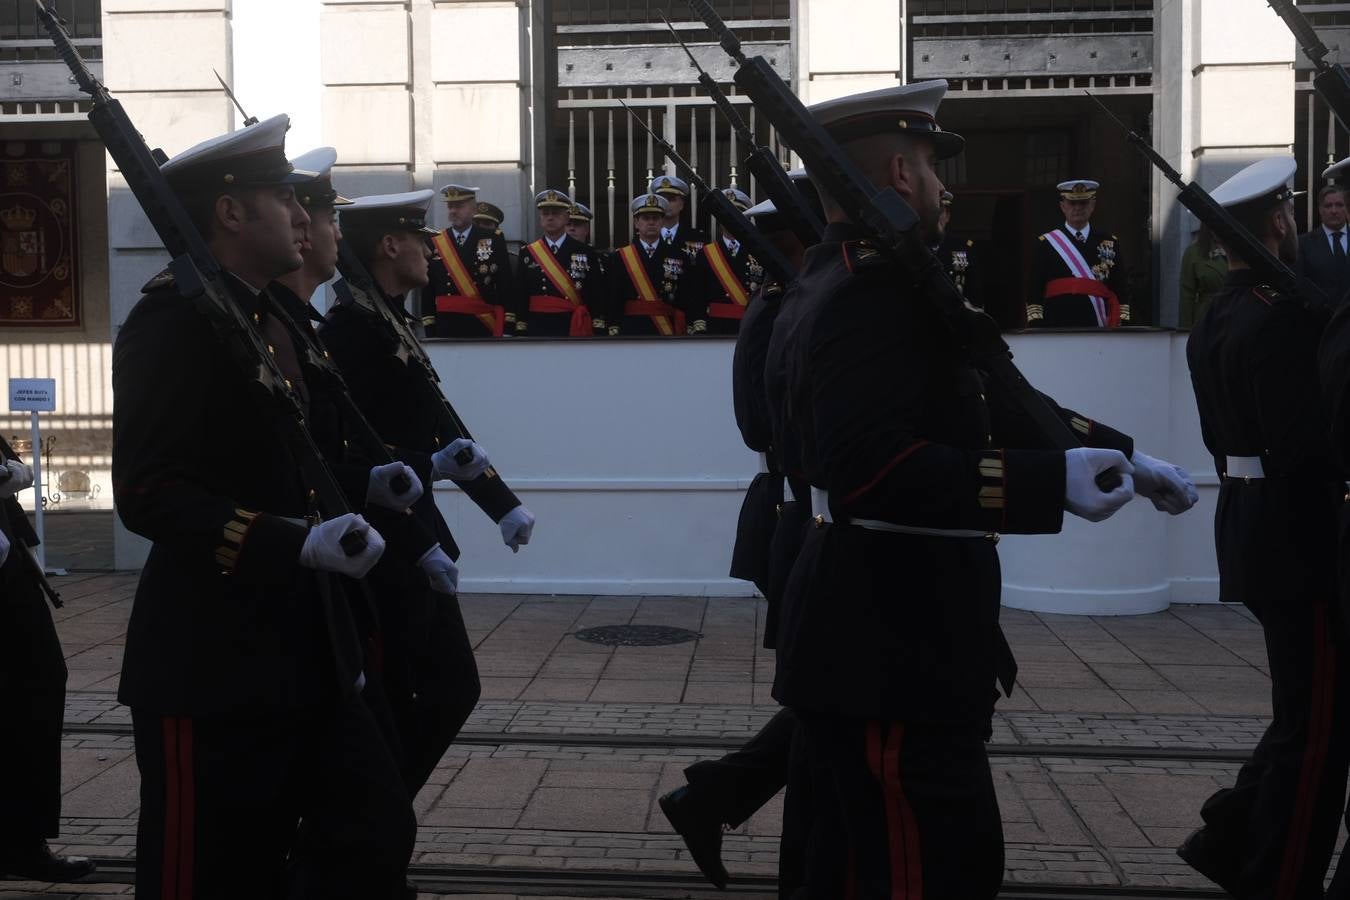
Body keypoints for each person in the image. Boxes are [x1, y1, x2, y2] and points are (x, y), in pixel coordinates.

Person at [764, 81, 1196, 899]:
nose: (943, 185)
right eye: (930, 164)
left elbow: (992, 397)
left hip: (889, 631)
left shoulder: (848, 278)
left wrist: (1120, 456)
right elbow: (871, 468)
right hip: (894, 639)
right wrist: (1044, 483)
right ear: (897, 172)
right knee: (924, 873)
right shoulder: (868, 293)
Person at [111, 114, 415, 899]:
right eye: (282, 197)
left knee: (369, 828)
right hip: (209, 659)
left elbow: (287, 461)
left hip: (302, 645)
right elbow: (148, 491)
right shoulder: (173, 322)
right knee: (203, 876)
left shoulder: (267, 315)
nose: (301, 217)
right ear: (231, 212)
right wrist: (292, 544)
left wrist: (364, 483)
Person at [322, 188, 536, 802]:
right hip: (387, 547)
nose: (430, 249)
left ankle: (378, 824)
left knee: (433, 692)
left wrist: (503, 504)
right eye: (420, 238)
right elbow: (361, 460)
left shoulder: (389, 320)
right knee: (428, 691)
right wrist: (418, 546)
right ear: (390, 246)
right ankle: (374, 821)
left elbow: (445, 426)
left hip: (413, 539)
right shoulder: (352, 331)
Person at [1181, 156, 1350, 900]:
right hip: (1300, 530)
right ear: (1278, 222)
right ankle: (1276, 877)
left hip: (1250, 519)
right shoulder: (1281, 319)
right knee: (1315, 734)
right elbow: (1312, 441)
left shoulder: (1222, 309)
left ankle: (1231, 835)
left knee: (1303, 713)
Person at [660, 176, 822, 890]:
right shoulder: (787, 303)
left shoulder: (786, 298)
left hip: (797, 509)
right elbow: (772, 422)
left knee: (827, 705)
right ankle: (716, 801)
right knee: (829, 704)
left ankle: (711, 798)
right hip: (803, 513)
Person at [0, 456, 96, 885]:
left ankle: (23, 841)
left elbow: (12, 461)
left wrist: (12, 471)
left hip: (8, 569)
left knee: (39, 684)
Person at [1027, 179, 1131, 327]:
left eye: (1083, 203)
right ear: (1063, 206)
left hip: (1098, 324)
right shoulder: (1046, 243)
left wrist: (1123, 321)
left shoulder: (1109, 242)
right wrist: (1036, 323)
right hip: (1057, 324)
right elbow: (1034, 289)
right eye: (1072, 203)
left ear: (1092, 205)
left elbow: (1120, 287)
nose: (1078, 208)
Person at [421, 184, 517, 338]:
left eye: (459, 206)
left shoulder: (492, 238)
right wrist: (430, 329)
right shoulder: (435, 242)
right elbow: (428, 291)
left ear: (473, 210)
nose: (453, 211)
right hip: (445, 327)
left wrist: (508, 327)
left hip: (481, 326)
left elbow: (505, 285)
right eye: (450, 206)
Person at [515, 189, 607, 336]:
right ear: (540, 219)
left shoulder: (585, 252)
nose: (550, 218)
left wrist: (598, 324)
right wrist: (521, 325)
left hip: (571, 325)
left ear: (566, 218)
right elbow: (521, 293)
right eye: (546, 214)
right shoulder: (528, 252)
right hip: (538, 325)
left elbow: (595, 292)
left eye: (556, 213)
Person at [612, 192, 705, 336]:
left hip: (667, 330)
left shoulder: (679, 256)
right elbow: (614, 297)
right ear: (636, 223)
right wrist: (614, 326)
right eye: (646, 218)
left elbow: (688, 295)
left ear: (662, 222)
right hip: (632, 330)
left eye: (656, 218)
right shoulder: (620, 257)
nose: (651, 222)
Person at [701, 187, 765, 335]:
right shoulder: (705, 254)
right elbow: (698, 295)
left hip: (752, 326)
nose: (730, 218)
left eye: (737, 213)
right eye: (726, 213)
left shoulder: (760, 252)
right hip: (716, 329)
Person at [1296, 183, 1350, 307]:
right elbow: (1299, 286)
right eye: (1328, 206)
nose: (1334, 210)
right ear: (1320, 209)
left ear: (1347, 208)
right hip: (1318, 322)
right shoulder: (1303, 244)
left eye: (1339, 205)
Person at [933, 190, 983, 307]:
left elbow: (974, 290)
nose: (938, 218)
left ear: (947, 217)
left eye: (941, 213)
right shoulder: (917, 245)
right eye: (934, 213)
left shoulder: (962, 247)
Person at [651, 173, 709, 264]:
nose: (667, 203)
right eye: (663, 199)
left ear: (681, 204)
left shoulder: (696, 238)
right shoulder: (646, 236)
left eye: (671, 199)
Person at [1178, 224, 1228, 328]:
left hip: (1235, 316)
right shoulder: (1194, 252)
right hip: (1208, 318)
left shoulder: (1240, 247)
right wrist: (1185, 332)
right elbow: (1187, 295)